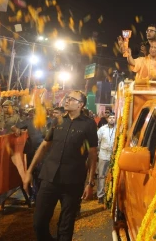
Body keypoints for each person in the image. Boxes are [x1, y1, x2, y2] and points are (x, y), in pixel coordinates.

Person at [23, 90, 98, 241]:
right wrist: (29, 171)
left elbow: (92, 155)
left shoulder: (88, 125)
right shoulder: (57, 121)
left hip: (72, 182)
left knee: (66, 226)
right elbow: (44, 147)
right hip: (49, 178)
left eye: (71, 99)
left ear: (80, 105)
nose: (67, 100)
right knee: (39, 223)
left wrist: (90, 183)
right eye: (67, 98)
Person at [96, 114, 116, 204]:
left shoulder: (119, 129)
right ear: (107, 119)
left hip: (113, 156)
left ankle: (110, 195)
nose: (112, 119)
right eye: (110, 118)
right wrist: (98, 151)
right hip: (103, 155)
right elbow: (97, 141)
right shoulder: (102, 129)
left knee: (112, 175)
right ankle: (100, 195)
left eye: (113, 118)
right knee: (101, 175)